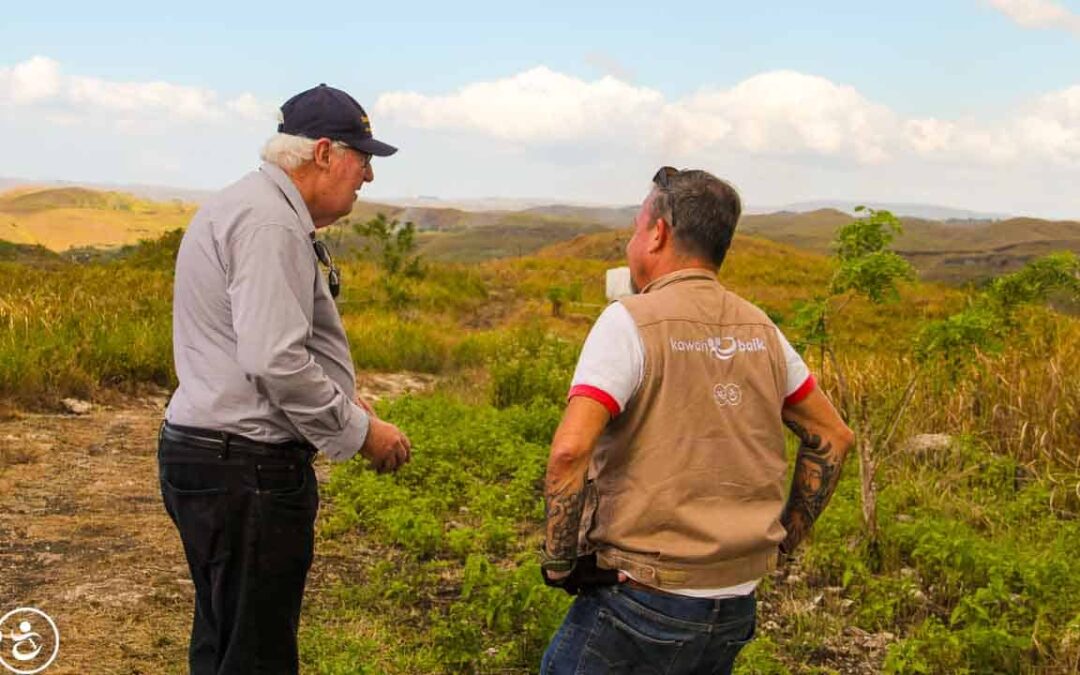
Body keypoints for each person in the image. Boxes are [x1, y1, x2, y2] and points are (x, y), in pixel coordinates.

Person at [539, 168, 855, 674]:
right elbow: (834, 438)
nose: (630, 242)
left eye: (635, 229)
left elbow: (569, 452)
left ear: (658, 232)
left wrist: (560, 563)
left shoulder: (630, 320)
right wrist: (787, 537)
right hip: (735, 602)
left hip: (643, 594)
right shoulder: (762, 328)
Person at [159, 84, 412, 674]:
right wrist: (360, 430)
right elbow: (275, 360)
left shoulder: (254, 207)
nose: (369, 176)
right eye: (363, 156)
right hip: (245, 470)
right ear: (323, 152)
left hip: (218, 458)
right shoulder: (270, 223)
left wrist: (339, 395)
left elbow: (264, 348)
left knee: (226, 634)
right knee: (256, 653)